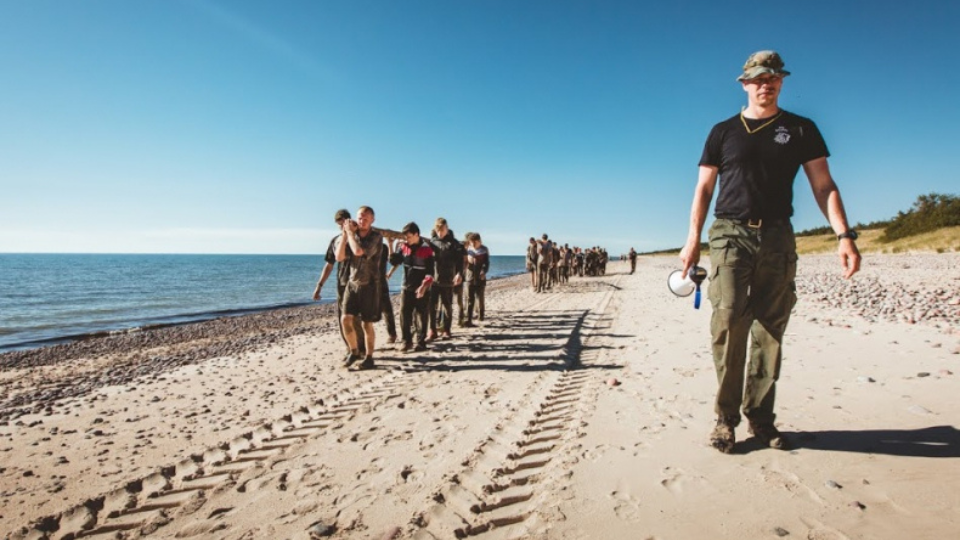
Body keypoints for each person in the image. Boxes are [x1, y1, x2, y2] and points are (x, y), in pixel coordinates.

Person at [679, 50, 861, 454]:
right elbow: (704, 189)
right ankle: (725, 419)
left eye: (775, 76)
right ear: (744, 83)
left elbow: (823, 185)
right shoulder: (723, 131)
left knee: (770, 328)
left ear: (782, 82)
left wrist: (844, 235)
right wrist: (693, 239)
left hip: (778, 236)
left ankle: (760, 418)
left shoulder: (801, 129)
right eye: (759, 77)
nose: (767, 83)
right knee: (728, 320)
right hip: (729, 234)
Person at [336, 206, 383, 370]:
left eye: (365, 218)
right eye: (359, 218)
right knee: (345, 319)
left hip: (369, 285)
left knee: (366, 324)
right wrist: (344, 235)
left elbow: (358, 251)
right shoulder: (352, 236)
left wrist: (349, 234)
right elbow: (339, 257)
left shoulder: (376, 237)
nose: (361, 221)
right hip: (352, 283)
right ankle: (354, 351)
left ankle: (369, 357)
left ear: (372, 220)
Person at [313, 209, 364, 357]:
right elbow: (329, 265)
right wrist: (319, 286)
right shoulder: (335, 240)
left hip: (358, 283)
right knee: (343, 317)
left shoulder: (360, 237)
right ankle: (350, 348)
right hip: (342, 283)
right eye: (339, 224)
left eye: (344, 223)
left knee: (356, 318)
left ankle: (361, 348)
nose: (342, 226)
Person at [388, 222, 435, 352]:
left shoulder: (427, 249)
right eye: (405, 238)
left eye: (409, 237)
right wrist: (390, 245)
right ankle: (406, 341)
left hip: (422, 287)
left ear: (416, 234)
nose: (406, 240)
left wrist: (424, 286)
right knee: (404, 315)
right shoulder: (403, 247)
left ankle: (421, 342)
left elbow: (431, 272)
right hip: (406, 287)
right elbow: (394, 261)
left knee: (421, 315)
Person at [428, 218, 464, 340]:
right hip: (433, 279)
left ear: (447, 228)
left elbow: (460, 261)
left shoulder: (454, 243)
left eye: (442, 230)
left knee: (447, 305)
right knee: (431, 306)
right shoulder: (431, 242)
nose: (440, 232)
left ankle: (446, 330)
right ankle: (432, 330)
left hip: (448, 279)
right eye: (438, 230)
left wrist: (459, 274)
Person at [464, 232, 489, 327]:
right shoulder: (468, 249)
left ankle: (481, 315)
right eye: (471, 242)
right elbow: (465, 262)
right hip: (469, 277)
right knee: (470, 299)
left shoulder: (484, 250)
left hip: (480, 278)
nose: (473, 245)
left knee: (480, 298)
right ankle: (469, 319)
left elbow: (487, 263)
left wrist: (484, 271)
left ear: (479, 241)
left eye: (474, 242)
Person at [378, 238, 398, 344]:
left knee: (387, 309)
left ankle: (392, 334)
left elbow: (392, 260)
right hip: (367, 281)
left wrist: (390, 244)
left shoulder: (383, 247)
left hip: (381, 281)